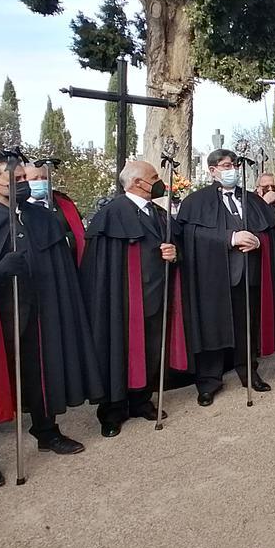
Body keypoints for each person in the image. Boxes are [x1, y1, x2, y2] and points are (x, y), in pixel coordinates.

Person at [0, 152, 103, 489]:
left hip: (41, 312)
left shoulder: (41, 218)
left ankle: (47, 431)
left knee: (43, 371)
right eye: (16, 181)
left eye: (26, 179)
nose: (24, 185)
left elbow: (59, 264)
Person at [177, 150, 275, 405]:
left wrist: (257, 243)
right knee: (211, 326)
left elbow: (268, 232)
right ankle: (209, 381)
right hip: (212, 276)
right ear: (212, 170)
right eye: (226, 165)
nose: (232, 170)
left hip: (248, 274)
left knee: (246, 325)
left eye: (235, 165)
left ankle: (248, 371)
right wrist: (230, 238)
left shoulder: (252, 199)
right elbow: (193, 236)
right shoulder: (196, 202)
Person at [81, 161, 185, 437]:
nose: (159, 181)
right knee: (118, 353)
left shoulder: (160, 214)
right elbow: (100, 266)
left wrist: (175, 255)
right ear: (137, 183)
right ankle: (112, 411)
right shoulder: (112, 214)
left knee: (152, 350)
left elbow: (180, 247)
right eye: (154, 177)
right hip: (122, 301)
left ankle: (142, 400)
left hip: (156, 296)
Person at [25, 163, 86, 265]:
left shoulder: (64, 203)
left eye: (44, 178)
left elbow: (78, 234)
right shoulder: (17, 207)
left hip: (66, 264)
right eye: (34, 179)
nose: (41, 182)